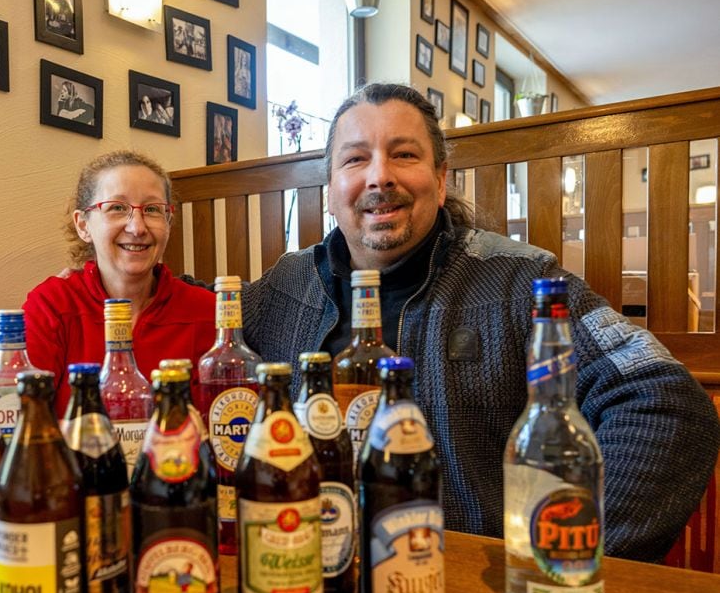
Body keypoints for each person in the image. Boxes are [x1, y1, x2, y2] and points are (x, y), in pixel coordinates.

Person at [240, 82, 720, 563]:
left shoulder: (522, 280)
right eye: (355, 159)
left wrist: (560, 555)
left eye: (404, 155)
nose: (380, 176)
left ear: (441, 178)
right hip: (303, 575)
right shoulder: (285, 286)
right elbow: (190, 310)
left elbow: (662, 399)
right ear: (330, 190)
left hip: (470, 590)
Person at [24, 151, 216, 414]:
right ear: (83, 225)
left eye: (151, 210)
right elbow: (22, 422)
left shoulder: (207, 310)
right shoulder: (51, 305)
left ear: (168, 223)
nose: (137, 227)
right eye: (117, 208)